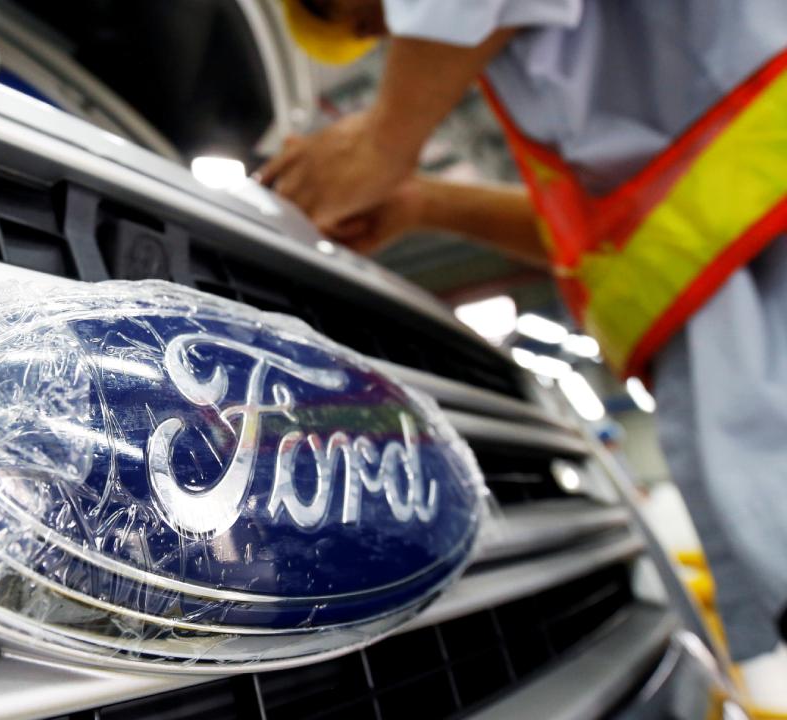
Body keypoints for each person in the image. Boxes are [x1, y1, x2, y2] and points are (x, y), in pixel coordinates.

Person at [263, 0, 787, 713]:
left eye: (345, 9)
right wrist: (421, 202)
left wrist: (385, 138)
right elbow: (607, 240)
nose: (374, 35)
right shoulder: (578, 81)